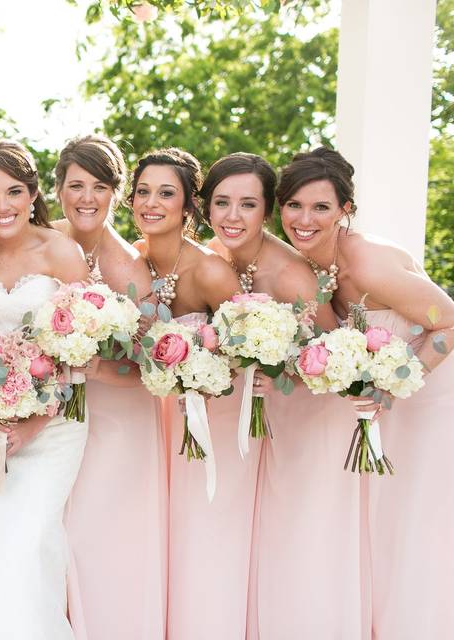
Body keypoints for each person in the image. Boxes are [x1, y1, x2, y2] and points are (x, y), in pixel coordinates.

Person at [277, 147, 454, 639]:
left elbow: (449, 322)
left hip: (430, 398)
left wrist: (394, 386)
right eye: (294, 205)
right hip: (382, 404)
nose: (304, 219)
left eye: (320, 208)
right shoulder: (309, 264)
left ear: (344, 211)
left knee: (410, 520)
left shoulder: (369, 265)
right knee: (376, 521)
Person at [201, 152, 361, 638]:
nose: (233, 216)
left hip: (311, 418)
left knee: (303, 535)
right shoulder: (214, 255)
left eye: (247, 204)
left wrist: (286, 378)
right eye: (222, 203)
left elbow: (338, 361)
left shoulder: (292, 276)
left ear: (266, 211)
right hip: (261, 422)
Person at [0, 140, 90, 640]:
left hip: (53, 424)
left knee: (29, 540)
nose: (1, 206)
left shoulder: (60, 251)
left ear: (32, 194)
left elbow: (80, 350)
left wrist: (31, 422)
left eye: (12, 192)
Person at [126, 148, 245, 639]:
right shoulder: (131, 257)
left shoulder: (211, 271)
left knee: (200, 534)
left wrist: (201, 372)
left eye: (166, 193)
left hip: (206, 419)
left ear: (189, 204)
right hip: (146, 414)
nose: (152, 203)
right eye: (143, 192)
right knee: (150, 533)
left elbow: (250, 342)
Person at [51, 134, 165, 638]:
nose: (86, 198)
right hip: (54, 412)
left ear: (116, 194)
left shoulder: (128, 267)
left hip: (117, 419)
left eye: (99, 186)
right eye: (76, 185)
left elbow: (154, 364)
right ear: (58, 189)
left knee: (99, 533)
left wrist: (94, 369)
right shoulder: (44, 241)